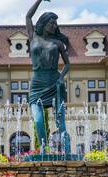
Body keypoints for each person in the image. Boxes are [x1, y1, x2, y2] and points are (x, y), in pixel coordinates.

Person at [26, 0, 71, 154]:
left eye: (55, 24)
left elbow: (67, 64)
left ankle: (67, 151)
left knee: (61, 123)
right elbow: (28, 16)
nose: (54, 26)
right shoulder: (33, 38)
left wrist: (61, 78)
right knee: (38, 120)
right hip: (37, 82)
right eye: (52, 23)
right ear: (44, 23)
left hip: (54, 81)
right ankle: (44, 149)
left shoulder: (58, 43)